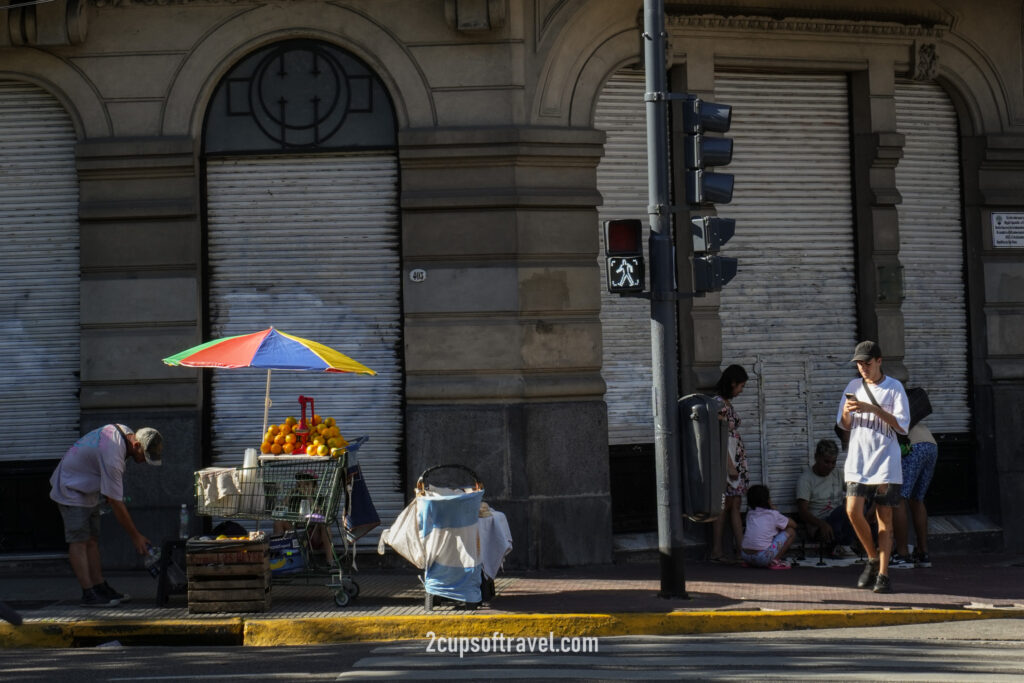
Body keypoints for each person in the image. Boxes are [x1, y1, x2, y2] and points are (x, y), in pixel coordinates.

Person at [49, 424, 164, 606]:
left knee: (92, 540)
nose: (143, 461)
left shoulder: (125, 435)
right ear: (136, 445)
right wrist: (136, 536)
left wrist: (109, 493)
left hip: (88, 489)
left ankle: (99, 586)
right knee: (79, 541)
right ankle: (89, 593)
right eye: (144, 456)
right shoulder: (113, 455)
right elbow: (116, 503)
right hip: (71, 487)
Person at [836, 341, 910, 594]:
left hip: (885, 461)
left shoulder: (894, 388)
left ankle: (883, 573)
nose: (863, 368)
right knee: (852, 510)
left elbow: (902, 426)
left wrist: (872, 409)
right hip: (858, 459)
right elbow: (844, 425)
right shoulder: (853, 386)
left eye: (867, 363)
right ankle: (871, 557)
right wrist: (847, 411)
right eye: (859, 364)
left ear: (879, 361)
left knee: (884, 519)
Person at [709, 364, 750, 563]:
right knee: (725, 504)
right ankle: (717, 550)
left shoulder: (725, 403)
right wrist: (729, 465)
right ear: (732, 383)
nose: (741, 390)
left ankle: (741, 549)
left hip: (735, 458)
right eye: (740, 386)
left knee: (735, 504)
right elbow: (719, 436)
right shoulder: (719, 404)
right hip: (729, 459)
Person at [795, 439, 856, 557]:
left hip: (839, 521)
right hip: (820, 526)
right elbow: (802, 511)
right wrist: (821, 524)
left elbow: (853, 490)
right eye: (826, 462)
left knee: (860, 503)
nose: (830, 466)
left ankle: (845, 545)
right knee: (846, 509)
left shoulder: (838, 473)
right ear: (816, 457)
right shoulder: (805, 479)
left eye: (833, 463)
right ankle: (842, 545)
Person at [892, 417, 938, 568]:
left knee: (898, 497)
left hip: (912, 446)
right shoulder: (904, 400)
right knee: (917, 499)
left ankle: (902, 554)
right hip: (930, 444)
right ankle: (923, 553)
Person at [739, 484, 796, 569]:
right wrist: (775, 510)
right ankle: (775, 561)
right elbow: (794, 524)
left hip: (745, 555)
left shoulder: (750, 514)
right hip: (762, 558)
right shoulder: (773, 514)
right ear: (768, 500)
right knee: (791, 531)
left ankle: (752, 563)